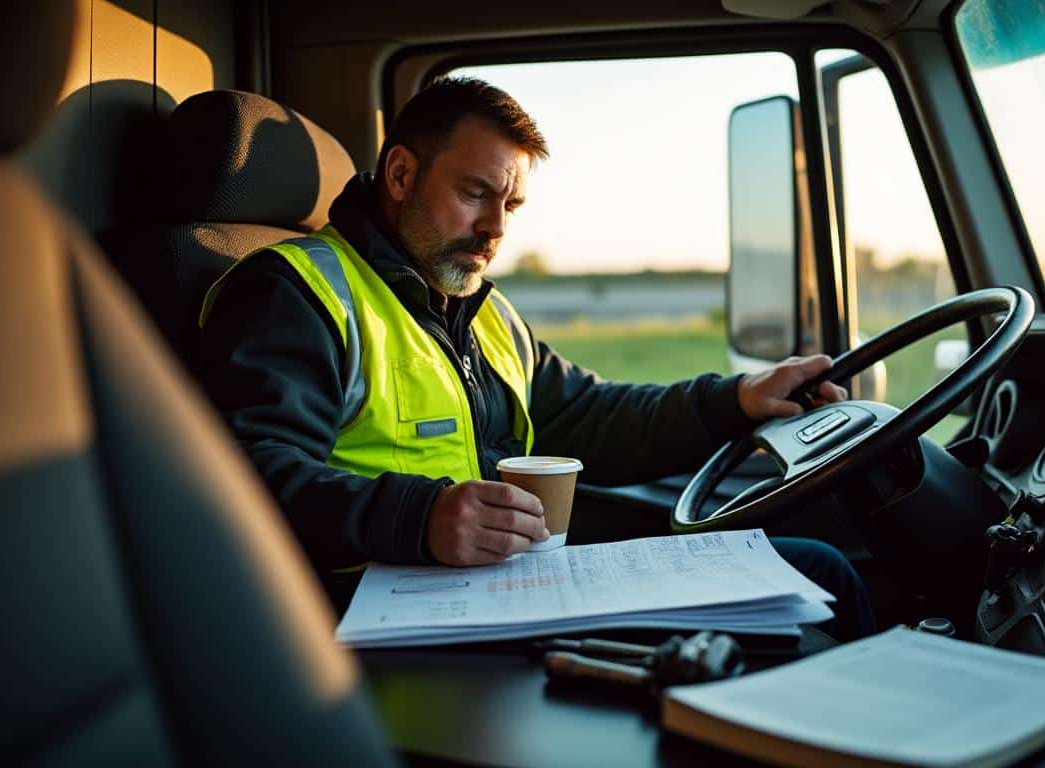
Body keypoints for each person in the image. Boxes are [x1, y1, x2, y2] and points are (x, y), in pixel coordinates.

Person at [197, 77, 877, 641]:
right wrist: (418, 518)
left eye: (512, 203)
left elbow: (585, 415)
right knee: (816, 582)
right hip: (368, 621)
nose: (497, 228)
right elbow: (241, 481)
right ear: (402, 174)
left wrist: (736, 399)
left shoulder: (478, 309)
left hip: (507, 585)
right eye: (475, 194)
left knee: (817, 570)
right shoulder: (297, 294)